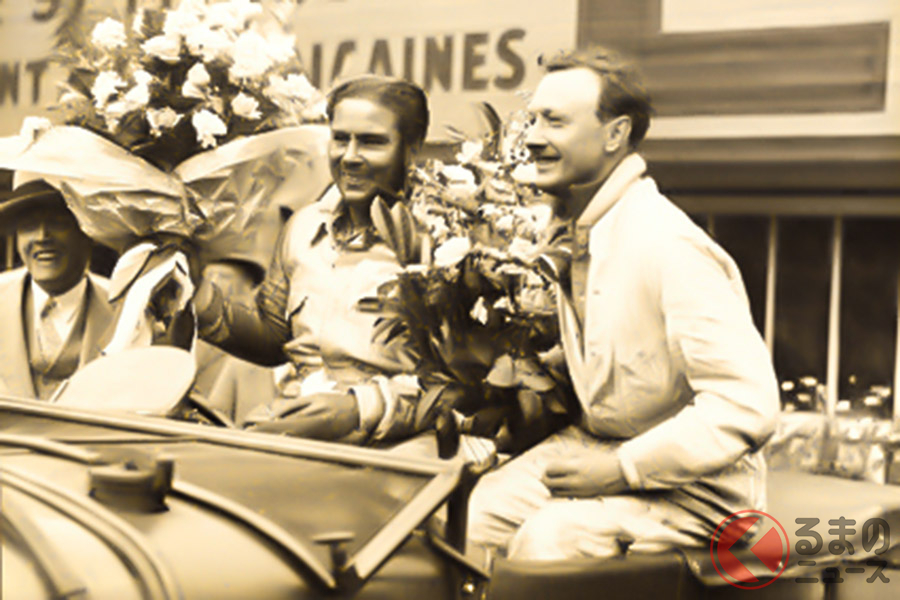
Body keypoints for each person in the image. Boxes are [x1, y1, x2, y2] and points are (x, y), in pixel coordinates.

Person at [466, 48, 779, 560]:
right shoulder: (575, 228)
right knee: (473, 514)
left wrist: (622, 468)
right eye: (534, 119)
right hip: (598, 447)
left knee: (550, 540)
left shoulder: (668, 244)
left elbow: (747, 403)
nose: (534, 137)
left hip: (701, 491)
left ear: (615, 134)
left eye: (556, 122)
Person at [194, 75, 429, 443]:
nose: (350, 157)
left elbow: (465, 389)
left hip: (395, 445)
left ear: (412, 150)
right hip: (297, 425)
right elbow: (273, 336)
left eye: (372, 142)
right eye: (340, 139)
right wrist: (197, 298)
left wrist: (357, 409)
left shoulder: (440, 239)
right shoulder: (304, 225)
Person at [0, 179, 113, 400]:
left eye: (59, 223)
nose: (42, 237)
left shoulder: (125, 309)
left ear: (89, 234)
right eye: (29, 225)